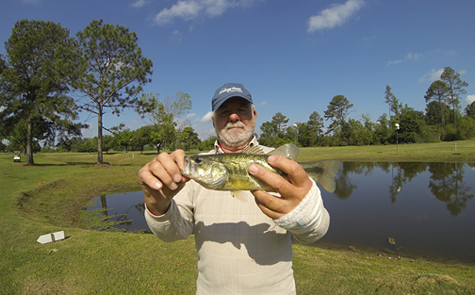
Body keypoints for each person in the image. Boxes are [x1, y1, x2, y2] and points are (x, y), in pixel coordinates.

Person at [138, 83, 330, 294]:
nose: (233, 117)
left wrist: (304, 216)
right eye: (224, 112)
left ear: (254, 115)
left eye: (241, 109)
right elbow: (172, 233)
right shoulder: (193, 171)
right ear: (213, 121)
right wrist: (158, 205)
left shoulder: (282, 164)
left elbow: (315, 231)